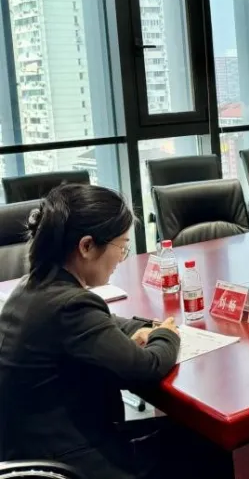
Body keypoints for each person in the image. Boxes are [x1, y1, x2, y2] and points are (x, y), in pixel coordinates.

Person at [0, 184, 180, 479]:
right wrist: (168, 335)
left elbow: (105, 321)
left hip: (32, 452)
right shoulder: (70, 305)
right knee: (202, 448)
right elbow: (146, 368)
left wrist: (146, 328)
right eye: (121, 247)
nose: (121, 258)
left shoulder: (32, 286)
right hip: (67, 463)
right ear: (86, 246)